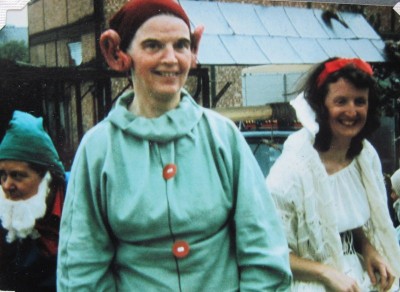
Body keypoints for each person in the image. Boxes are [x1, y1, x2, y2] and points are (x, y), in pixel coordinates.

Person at [57, 0, 292, 291]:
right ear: (121, 53)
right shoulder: (98, 149)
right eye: (153, 45)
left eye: (180, 45)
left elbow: (264, 249)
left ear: (192, 52)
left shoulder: (223, 137)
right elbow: (81, 265)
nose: (170, 58)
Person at [266, 57, 400, 291]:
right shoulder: (292, 170)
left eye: (360, 101)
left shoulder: (365, 158)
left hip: (359, 282)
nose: (351, 111)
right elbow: (268, 250)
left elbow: (343, 222)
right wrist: (326, 272)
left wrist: (368, 248)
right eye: (341, 101)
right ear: (321, 106)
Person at [0, 110, 66, 292]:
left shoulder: (79, 197)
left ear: (47, 176)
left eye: (17, 176)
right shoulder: (5, 214)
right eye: (2, 175)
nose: (6, 185)